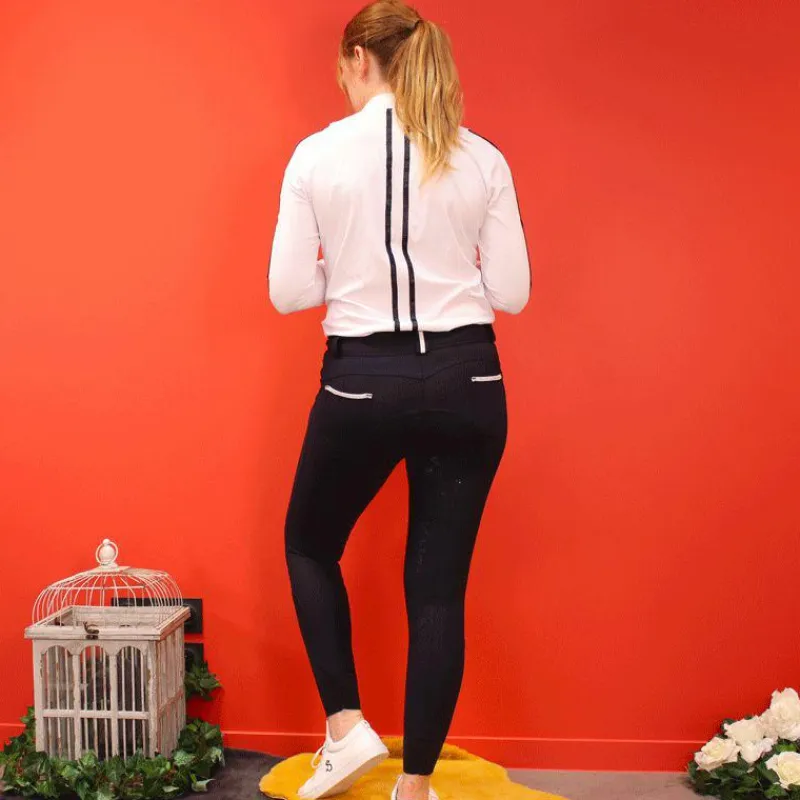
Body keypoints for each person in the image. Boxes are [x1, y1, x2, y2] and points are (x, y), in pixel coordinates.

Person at [268, 1, 530, 798]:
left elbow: (288, 291)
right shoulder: (479, 155)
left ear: (358, 59)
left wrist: (349, 270)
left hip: (362, 380)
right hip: (469, 379)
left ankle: (346, 728)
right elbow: (512, 292)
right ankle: (414, 787)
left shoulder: (317, 155)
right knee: (438, 588)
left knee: (310, 544)